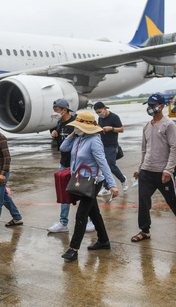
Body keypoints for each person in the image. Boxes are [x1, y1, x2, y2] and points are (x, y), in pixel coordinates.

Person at [131, 94, 176, 243]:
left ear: (161, 106)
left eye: (153, 105)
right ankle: (145, 230)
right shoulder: (147, 126)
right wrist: (140, 168)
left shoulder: (169, 125)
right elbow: (144, 150)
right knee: (143, 201)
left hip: (162, 171)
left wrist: (168, 170)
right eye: (149, 105)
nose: (150, 108)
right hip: (147, 171)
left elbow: (174, 149)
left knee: (172, 200)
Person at [59, 111, 119, 262]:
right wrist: (73, 134)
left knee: (81, 215)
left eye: (79, 126)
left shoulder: (94, 140)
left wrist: (112, 184)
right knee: (94, 212)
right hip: (81, 180)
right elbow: (63, 148)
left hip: (93, 181)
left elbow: (103, 163)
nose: (76, 128)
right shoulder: (79, 138)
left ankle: (73, 249)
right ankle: (104, 241)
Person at [47, 99, 94, 233]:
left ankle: (91, 220)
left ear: (64, 110)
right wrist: (54, 134)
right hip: (64, 163)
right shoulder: (60, 123)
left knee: (82, 193)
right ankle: (63, 222)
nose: (55, 113)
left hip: (77, 166)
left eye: (56, 110)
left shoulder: (75, 124)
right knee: (64, 194)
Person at [94, 102, 128, 192]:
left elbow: (121, 129)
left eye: (99, 111)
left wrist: (111, 128)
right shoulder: (100, 118)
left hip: (112, 145)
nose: (99, 114)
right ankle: (106, 187)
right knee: (102, 166)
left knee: (111, 166)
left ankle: (123, 179)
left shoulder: (114, 117)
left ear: (104, 108)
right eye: (97, 113)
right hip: (102, 145)